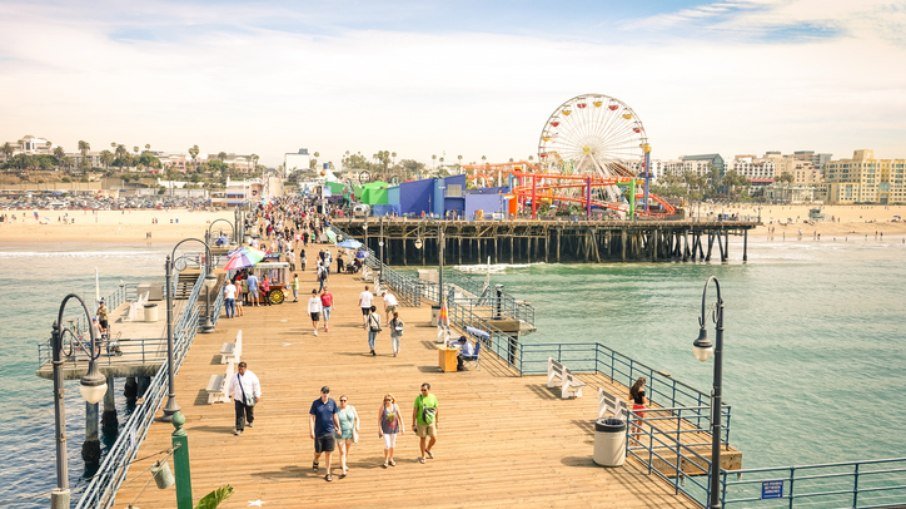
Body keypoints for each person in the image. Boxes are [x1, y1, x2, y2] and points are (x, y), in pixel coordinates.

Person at [309, 386, 340, 482]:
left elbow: (335, 415)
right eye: (324, 392)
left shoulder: (332, 403)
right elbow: (311, 417)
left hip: (330, 432)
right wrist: (311, 431)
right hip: (319, 432)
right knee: (318, 452)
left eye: (327, 392)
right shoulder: (316, 403)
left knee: (328, 453)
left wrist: (338, 427)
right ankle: (316, 460)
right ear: (321, 393)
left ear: (329, 393)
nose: (325, 394)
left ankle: (328, 473)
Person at [228, 361, 261, 436]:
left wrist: (257, 395)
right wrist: (230, 394)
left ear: (245, 368)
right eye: (239, 369)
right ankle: (239, 428)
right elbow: (231, 386)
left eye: (242, 369)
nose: (240, 371)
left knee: (249, 411)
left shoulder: (251, 375)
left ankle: (250, 420)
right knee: (239, 414)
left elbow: (256, 385)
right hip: (238, 398)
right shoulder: (234, 376)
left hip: (249, 397)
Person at [412, 383, 438, 464]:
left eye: (424, 390)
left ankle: (427, 449)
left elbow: (436, 409)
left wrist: (437, 421)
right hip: (421, 422)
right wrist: (413, 424)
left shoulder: (433, 397)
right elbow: (415, 412)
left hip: (431, 421)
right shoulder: (418, 399)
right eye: (422, 390)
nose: (423, 391)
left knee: (434, 438)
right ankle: (423, 456)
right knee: (423, 438)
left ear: (429, 390)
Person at [336, 395, 360, 479]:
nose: (343, 402)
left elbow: (357, 418)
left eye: (344, 400)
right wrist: (336, 428)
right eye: (341, 400)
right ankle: (343, 471)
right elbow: (333, 421)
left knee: (347, 450)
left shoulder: (351, 408)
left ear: (347, 401)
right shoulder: (336, 410)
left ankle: (343, 463)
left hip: (350, 432)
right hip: (340, 434)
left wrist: (357, 426)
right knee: (342, 452)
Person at [378, 393, 404, 468]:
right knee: (387, 445)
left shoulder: (395, 406)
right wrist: (379, 429)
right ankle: (386, 460)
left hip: (394, 429)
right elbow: (379, 419)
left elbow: (400, 417)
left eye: (389, 400)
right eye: (385, 400)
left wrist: (403, 427)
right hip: (385, 429)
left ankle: (391, 458)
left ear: (392, 400)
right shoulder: (383, 407)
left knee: (392, 445)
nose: (387, 401)